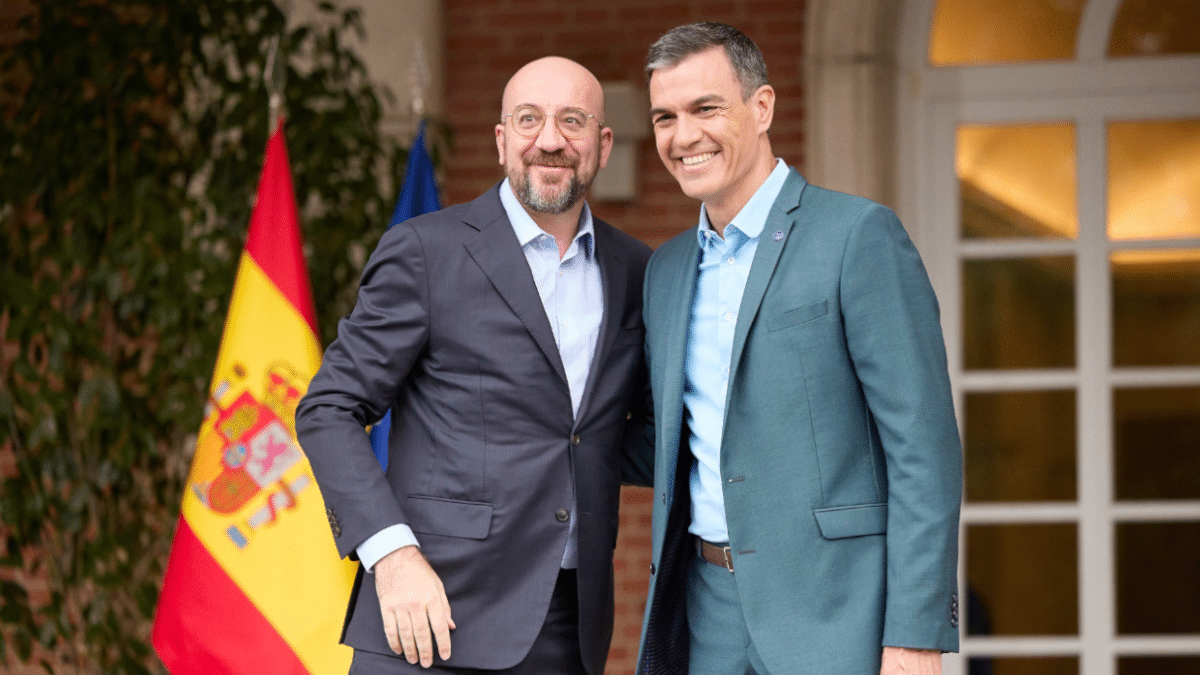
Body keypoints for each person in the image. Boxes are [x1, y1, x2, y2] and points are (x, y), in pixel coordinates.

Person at [296, 56, 653, 675]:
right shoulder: (426, 252)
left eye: (572, 122)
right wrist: (391, 554)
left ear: (601, 144)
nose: (549, 140)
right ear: (501, 140)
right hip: (428, 617)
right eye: (528, 119)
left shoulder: (634, 269)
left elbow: (614, 435)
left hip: (569, 627)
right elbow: (327, 409)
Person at [634, 23, 963, 675]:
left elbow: (922, 447)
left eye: (705, 108)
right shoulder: (665, 272)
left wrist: (915, 631)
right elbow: (679, 438)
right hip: (707, 613)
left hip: (838, 614)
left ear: (762, 108)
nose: (682, 135)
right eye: (665, 117)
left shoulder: (857, 236)